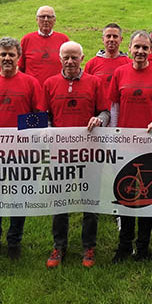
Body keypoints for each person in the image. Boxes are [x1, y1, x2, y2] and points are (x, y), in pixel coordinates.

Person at [0, 37, 44, 261]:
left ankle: (14, 241)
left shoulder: (31, 83)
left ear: (19, 57)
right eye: (3, 54)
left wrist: (18, 133)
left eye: (11, 54)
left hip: (21, 152)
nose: (7, 58)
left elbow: (39, 117)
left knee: (18, 198)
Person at [43, 41, 110, 268]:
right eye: (66, 57)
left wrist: (99, 119)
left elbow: (106, 111)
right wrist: (49, 127)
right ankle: (59, 245)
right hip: (59, 154)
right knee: (59, 201)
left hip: (90, 153)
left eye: (74, 57)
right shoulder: (50, 83)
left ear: (82, 58)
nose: (70, 62)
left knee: (89, 201)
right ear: (59, 59)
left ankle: (88, 246)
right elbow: (44, 115)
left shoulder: (95, 82)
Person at [109, 30, 152, 262]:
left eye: (145, 48)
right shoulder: (119, 72)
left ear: (151, 51)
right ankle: (124, 245)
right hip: (125, 143)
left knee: (147, 197)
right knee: (125, 195)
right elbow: (114, 105)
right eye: (136, 47)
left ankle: (143, 247)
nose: (140, 51)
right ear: (130, 48)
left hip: (150, 142)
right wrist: (115, 133)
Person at [18, 5, 70, 85]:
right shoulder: (27, 40)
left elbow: (69, 66)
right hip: (33, 89)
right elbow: (20, 68)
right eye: (42, 17)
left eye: (49, 17)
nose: (46, 20)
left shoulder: (63, 40)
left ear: (54, 20)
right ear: (37, 19)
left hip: (57, 87)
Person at [83, 23, 130, 104]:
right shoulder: (91, 64)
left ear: (121, 39)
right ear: (103, 39)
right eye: (108, 36)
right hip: (99, 113)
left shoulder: (129, 63)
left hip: (121, 111)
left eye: (115, 36)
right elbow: (85, 90)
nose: (111, 39)